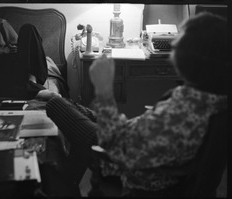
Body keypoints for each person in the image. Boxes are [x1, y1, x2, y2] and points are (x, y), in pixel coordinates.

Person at [45, 12, 228, 196]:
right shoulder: (207, 99)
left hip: (118, 154)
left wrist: (104, 89)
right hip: (131, 139)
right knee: (73, 107)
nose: (173, 43)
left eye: (180, 36)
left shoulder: (183, 112)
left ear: (191, 56)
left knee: (55, 104)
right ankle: (67, 187)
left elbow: (116, 144)